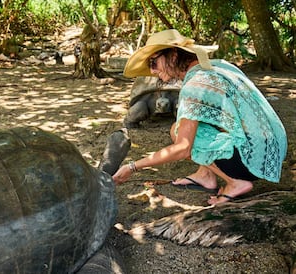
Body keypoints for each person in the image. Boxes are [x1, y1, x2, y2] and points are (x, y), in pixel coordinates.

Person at [112, 29, 287, 205]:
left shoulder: (194, 86)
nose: (152, 70)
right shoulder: (218, 66)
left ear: (173, 55)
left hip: (253, 159)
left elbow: (183, 148)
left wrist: (132, 167)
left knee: (178, 131)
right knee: (193, 125)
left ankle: (236, 183)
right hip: (273, 147)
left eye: (154, 62)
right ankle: (206, 175)